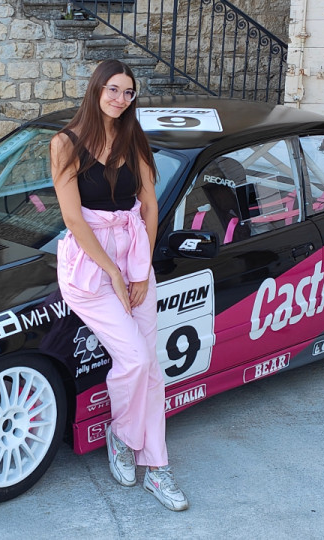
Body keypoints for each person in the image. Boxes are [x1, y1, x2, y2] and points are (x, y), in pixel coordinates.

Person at [50, 59, 188, 512]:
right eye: (113, 89)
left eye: (129, 92)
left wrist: (141, 270)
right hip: (90, 268)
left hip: (133, 258)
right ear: (96, 90)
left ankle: (157, 465)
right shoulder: (65, 143)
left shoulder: (135, 139)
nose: (120, 99)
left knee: (150, 367)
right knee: (132, 359)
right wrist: (112, 270)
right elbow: (73, 218)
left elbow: (148, 204)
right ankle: (122, 435)